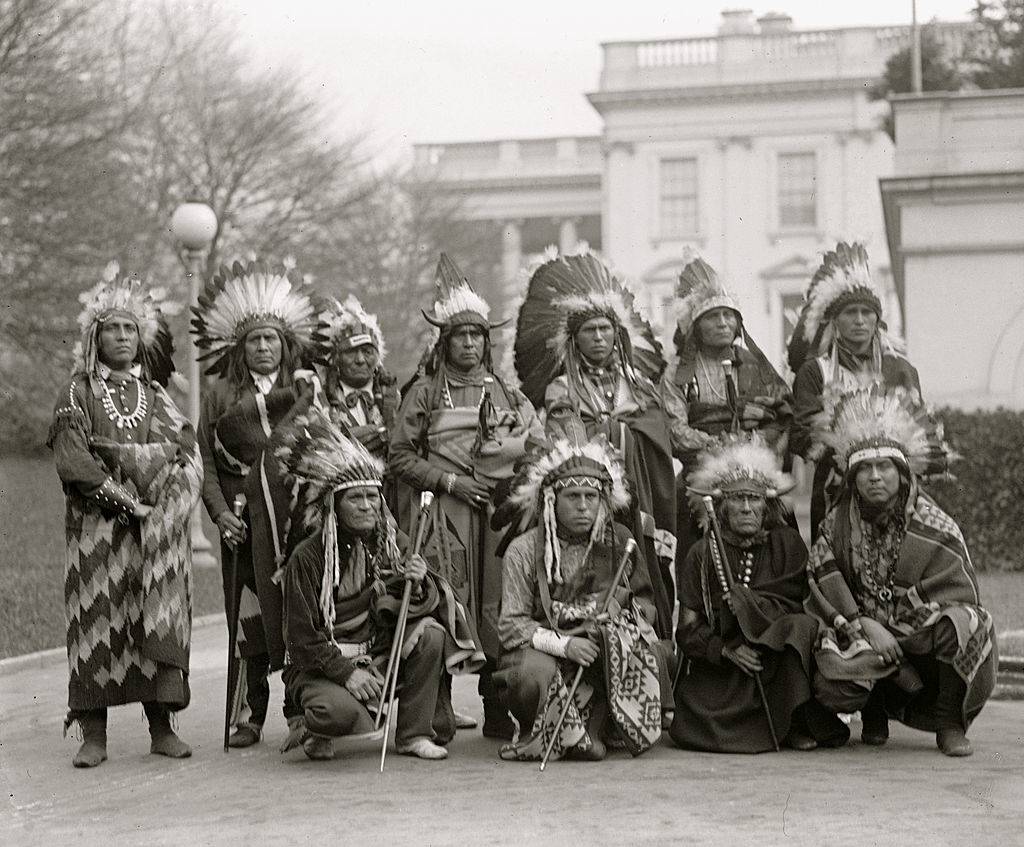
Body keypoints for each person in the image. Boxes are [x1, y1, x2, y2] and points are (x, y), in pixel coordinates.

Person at [49, 268, 201, 767]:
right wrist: (125, 495)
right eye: (112, 328)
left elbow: (183, 450)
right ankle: (94, 735)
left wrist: (153, 492)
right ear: (95, 336)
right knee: (99, 622)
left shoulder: (156, 396)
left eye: (130, 329)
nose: (121, 336)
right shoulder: (77, 394)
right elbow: (76, 461)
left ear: (142, 339)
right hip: (97, 536)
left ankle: (162, 727)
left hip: (153, 534)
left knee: (152, 617)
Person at [389, 253, 541, 739]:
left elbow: (535, 448)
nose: (470, 344)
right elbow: (398, 457)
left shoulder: (507, 393)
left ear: (487, 341)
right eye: (461, 335)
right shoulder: (424, 393)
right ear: (445, 341)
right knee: (443, 601)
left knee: (497, 604)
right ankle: (437, 709)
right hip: (442, 515)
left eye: (477, 335)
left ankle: (497, 707)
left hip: (497, 518)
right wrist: (451, 481)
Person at [276, 408, 484, 760]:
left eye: (373, 497)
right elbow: (300, 637)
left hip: (378, 652)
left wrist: (417, 583)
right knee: (336, 713)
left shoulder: (391, 541)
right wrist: (346, 675)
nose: (368, 506)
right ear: (334, 504)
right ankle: (316, 726)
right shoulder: (308, 557)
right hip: (324, 664)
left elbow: (418, 602)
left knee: (430, 633)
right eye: (356, 498)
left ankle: (412, 735)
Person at [806, 385, 996, 757]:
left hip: (918, 634)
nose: (875, 477)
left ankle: (948, 721)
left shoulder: (935, 524)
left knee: (969, 624)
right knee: (833, 682)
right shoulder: (835, 525)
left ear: (903, 474)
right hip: (861, 635)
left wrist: (901, 628)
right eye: (865, 469)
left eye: (884, 467)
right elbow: (820, 581)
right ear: (852, 478)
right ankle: (873, 707)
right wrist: (864, 624)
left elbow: (960, 593)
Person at [192, 260, 326, 747]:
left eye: (271, 339)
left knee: (299, 612)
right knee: (247, 620)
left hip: (295, 525)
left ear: (285, 344)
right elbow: (205, 460)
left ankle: (302, 710)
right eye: (254, 340)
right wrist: (220, 514)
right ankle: (249, 715)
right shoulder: (221, 395)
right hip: (244, 527)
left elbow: (322, 451)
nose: (263, 347)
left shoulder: (307, 391)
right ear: (240, 347)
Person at [514, 247, 677, 640]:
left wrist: (621, 430)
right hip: (590, 497)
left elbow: (660, 429)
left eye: (605, 329)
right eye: (590, 331)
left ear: (618, 335)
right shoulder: (562, 388)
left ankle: (651, 642)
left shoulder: (640, 386)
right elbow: (566, 441)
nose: (599, 337)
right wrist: (608, 434)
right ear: (574, 340)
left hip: (642, 497)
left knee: (645, 565)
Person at [495, 419, 664, 762]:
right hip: (543, 651)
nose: (584, 507)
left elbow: (647, 606)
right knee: (533, 674)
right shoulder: (524, 549)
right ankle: (554, 732)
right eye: (573, 497)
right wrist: (565, 644)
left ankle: (604, 726)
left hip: (603, 647)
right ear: (551, 500)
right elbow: (511, 626)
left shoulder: (620, 542)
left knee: (660, 654)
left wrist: (617, 618)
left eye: (592, 497)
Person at [669, 434, 848, 753]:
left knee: (800, 628)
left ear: (768, 506)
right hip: (723, 669)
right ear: (721, 506)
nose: (747, 508)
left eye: (755, 500)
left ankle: (792, 720)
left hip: (777, 663)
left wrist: (749, 609)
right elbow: (687, 628)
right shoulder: (701, 553)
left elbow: (800, 605)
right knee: (697, 725)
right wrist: (724, 650)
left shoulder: (788, 545)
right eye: (737, 499)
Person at [788, 242, 921, 537]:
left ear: (878, 320)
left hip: (892, 485)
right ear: (835, 320)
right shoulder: (815, 371)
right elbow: (799, 435)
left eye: (866, 312)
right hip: (835, 488)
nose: (859, 320)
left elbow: (917, 427)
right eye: (850, 312)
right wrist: (840, 439)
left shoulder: (899, 369)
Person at [670, 256, 792, 562]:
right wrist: (716, 446)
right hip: (699, 472)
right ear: (696, 326)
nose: (723, 323)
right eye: (714, 317)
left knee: (779, 532)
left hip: (753, 468)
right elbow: (675, 429)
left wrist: (754, 444)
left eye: (729, 315)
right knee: (692, 538)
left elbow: (781, 416)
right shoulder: (677, 372)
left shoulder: (755, 365)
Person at [320, 294, 399, 469]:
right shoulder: (322, 398)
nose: (360, 360)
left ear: (378, 357)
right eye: (351, 352)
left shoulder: (393, 397)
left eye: (367, 351)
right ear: (336, 359)